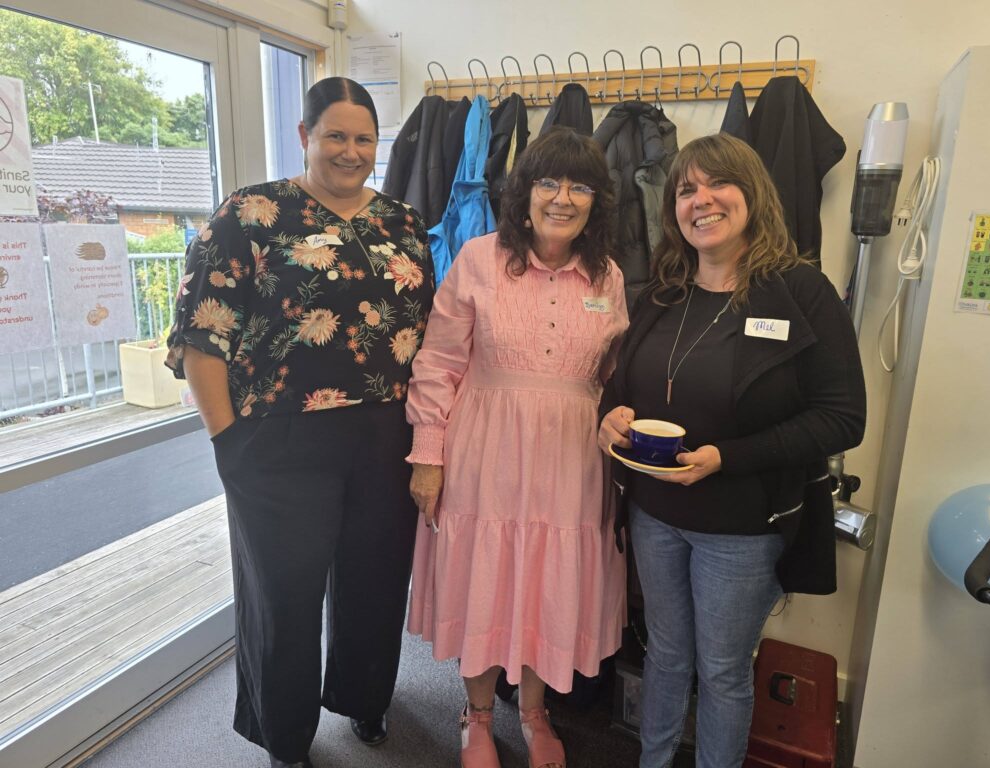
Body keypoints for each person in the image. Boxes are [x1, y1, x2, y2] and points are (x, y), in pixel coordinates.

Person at [165, 77, 435, 768]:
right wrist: (228, 441)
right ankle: (284, 736)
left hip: (386, 434)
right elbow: (201, 338)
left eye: (364, 138)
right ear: (304, 136)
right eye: (335, 135)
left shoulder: (403, 222)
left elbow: (429, 334)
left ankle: (365, 697)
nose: (351, 151)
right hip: (278, 437)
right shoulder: (250, 214)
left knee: (376, 582)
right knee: (283, 596)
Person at [597, 132, 866, 768]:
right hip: (655, 514)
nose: (702, 199)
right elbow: (622, 384)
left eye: (719, 183)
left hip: (742, 527)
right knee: (666, 653)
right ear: (672, 209)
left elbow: (842, 419)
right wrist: (611, 416)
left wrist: (728, 456)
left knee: (721, 669)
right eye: (686, 189)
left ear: (753, 194)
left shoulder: (799, 291)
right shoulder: (662, 292)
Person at [405, 126, 628, 768]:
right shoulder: (479, 258)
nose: (562, 198)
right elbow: (438, 362)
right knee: (486, 575)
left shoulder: (608, 275)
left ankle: (533, 712)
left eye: (580, 187)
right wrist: (427, 456)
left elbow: (615, 372)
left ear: (596, 202)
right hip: (486, 452)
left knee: (546, 585)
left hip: (572, 459)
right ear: (524, 193)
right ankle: (477, 715)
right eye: (548, 182)